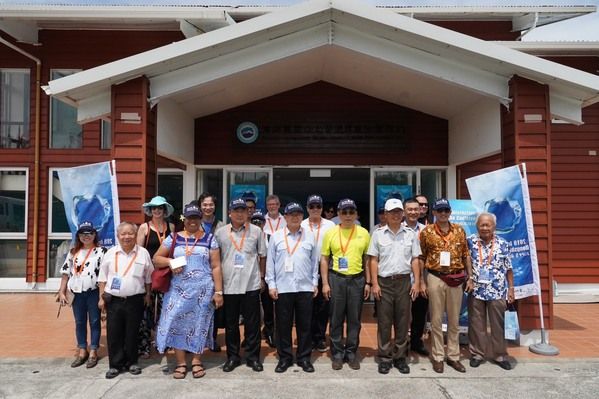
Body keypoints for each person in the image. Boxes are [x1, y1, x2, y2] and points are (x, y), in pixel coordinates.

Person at [153, 203, 224, 379]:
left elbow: (215, 266)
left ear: (200, 219)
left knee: (199, 325)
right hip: (177, 290)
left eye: (196, 218)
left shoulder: (210, 239)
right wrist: (170, 262)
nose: (193, 221)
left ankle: (197, 361)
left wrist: (219, 291)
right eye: (189, 218)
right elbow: (156, 259)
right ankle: (181, 362)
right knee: (176, 322)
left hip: (203, 291)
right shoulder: (174, 237)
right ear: (184, 219)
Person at [368, 199, 422, 375]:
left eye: (399, 212)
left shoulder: (410, 234)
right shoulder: (378, 234)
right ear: (386, 214)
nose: (396, 215)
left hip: (404, 281)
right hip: (384, 282)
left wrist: (417, 282)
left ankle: (399, 357)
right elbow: (373, 260)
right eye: (392, 212)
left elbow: (415, 259)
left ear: (403, 214)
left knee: (402, 321)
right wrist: (374, 283)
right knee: (384, 322)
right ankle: (384, 357)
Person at [419, 198, 472, 374]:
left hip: (456, 279)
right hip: (435, 277)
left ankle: (453, 356)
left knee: (454, 320)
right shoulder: (427, 232)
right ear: (433, 212)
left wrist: (470, 277)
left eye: (446, 210)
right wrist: (421, 280)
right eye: (439, 210)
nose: (443, 214)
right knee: (435, 319)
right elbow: (421, 257)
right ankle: (438, 356)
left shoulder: (459, 230)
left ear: (450, 212)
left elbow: (466, 255)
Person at [215, 198, 268, 373]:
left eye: (242, 210)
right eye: (236, 210)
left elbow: (262, 256)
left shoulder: (256, 232)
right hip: (229, 285)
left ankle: (253, 358)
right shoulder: (221, 233)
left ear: (247, 213)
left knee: (252, 324)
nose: (239, 213)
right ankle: (233, 357)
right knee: (231, 325)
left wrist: (261, 277)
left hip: (250, 284)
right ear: (229, 212)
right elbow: (216, 260)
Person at [267, 202, 319, 373]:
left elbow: (314, 263)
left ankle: (304, 358)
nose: (295, 217)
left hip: (305, 287)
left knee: (305, 325)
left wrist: (315, 283)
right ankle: (285, 358)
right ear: (286, 217)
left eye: (298, 214)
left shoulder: (310, 236)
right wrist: (271, 284)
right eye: (291, 214)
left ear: (302, 216)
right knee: (283, 325)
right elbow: (270, 263)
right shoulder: (276, 236)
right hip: (283, 287)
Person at [98, 222, 154, 379]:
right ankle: (115, 365)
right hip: (113, 300)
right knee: (114, 333)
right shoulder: (110, 253)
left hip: (135, 299)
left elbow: (148, 277)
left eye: (130, 233)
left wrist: (148, 295)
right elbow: (102, 278)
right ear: (118, 236)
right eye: (123, 234)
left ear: (135, 235)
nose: (127, 237)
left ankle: (132, 362)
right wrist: (101, 298)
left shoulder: (143, 253)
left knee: (132, 332)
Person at [321, 198, 371, 370]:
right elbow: (324, 258)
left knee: (354, 319)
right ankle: (337, 353)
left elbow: (367, 259)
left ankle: (351, 352)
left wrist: (368, 282)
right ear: (338, 214)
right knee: (335, 318)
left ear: (356, 214)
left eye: (351, 212)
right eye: (344, 212)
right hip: (337, 278)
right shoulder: (331, 232)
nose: (348, 215)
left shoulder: (364, 233)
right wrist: (325, 283)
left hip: (357, 279)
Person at [467, 212, 515, 370]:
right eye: (482, 224)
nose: (485, 228)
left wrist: (511, 289)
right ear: (477, 226)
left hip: (497, 290)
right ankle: (477, 353)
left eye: (488, 225)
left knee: (497, 325)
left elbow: (509, 268)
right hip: (476, 290)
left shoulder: (503, 243)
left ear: (494, 226)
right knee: (476, 324)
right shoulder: (470, 242)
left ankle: (499, 355)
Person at [58, 221, 107, 369]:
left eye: (90, 233)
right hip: (76, 294)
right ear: (78, 236)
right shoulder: (73, 253)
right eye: (83, 234)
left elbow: (103, 276)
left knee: (94, 321)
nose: (86, 236)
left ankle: (93, 351)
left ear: (95, 235)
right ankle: (82, 350)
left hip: (93, 292)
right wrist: (61, 291)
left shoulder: (102, 251)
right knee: (79, 322)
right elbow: (66, 274)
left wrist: (101, 296)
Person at [136, 195, 175, 358]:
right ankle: (144, 345)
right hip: (148, 275)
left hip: (166, 274)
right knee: (146, 308)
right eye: (154, 208)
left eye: (160, 208)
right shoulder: (144, 228)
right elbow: (138, 252)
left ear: (165, 210)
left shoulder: (171, 227)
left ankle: (162, 341)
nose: (157, 211)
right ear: (150, 210)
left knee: (165, 309)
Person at [301, 194, 335, 353]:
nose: (315, 209)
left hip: (325, 271)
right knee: (307, 307)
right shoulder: (301, 225)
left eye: (318, 206)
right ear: (307, 208)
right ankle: (308, 337)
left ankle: (320, 337)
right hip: (305, 272)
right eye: (312, 206)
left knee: (323, 306)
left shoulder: (331, 226)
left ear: (322, 208)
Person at [197, 192, 226, 352]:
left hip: (215, 270)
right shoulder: (194, 223)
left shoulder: (222, 226)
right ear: (200, 205)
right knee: (197, 306)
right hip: (197, 271)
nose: (208, 207)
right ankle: (195, 339)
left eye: (211, 205)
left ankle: (212, 338)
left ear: (215, 206)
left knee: (213, 306)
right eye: (205, 204)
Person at [402, 198, 430, 356]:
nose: (413, 212)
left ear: (420, 211)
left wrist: (422, 281)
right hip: (405, 277)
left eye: (416, 209)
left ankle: (416, 342)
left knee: (420, 311)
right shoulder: (398, 228)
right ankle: (402, 343)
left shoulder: (427, 230)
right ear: (404, 211)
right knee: (403, 314)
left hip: (423, 277)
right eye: (410, 209)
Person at [260, 194, 286, 348]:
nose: (272, 206)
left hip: (282, 266)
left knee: (281, 303)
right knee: (267, 303)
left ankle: (279, 330)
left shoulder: (285, 220)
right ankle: (269, 330)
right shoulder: (261, 220)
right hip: (265, 265)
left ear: (279, 204)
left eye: (275, 204)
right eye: (269, 204)